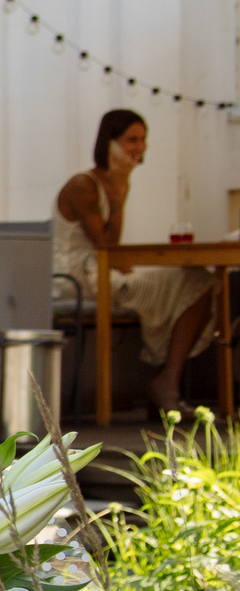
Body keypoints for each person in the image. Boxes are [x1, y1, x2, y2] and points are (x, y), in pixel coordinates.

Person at [54, 108, 217, 414]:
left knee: (200, 280)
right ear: (110, 143)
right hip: (77, 281)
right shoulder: (83, 185)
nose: (140, 147)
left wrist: (119, 186)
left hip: (103, 271)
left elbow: (110, 250)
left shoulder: (113, 182)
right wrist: (119, 189)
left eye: (143, 140)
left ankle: (168, 379)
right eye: (131, 140)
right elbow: (107, 245)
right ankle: (166, 382)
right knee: (196, 281)